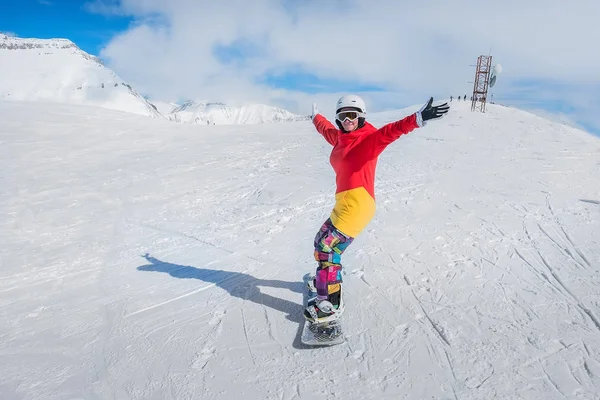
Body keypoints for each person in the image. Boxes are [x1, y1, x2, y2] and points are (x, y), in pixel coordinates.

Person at [304, 95, 449, 323]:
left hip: (358, 205)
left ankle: (330, 304)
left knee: (328, 249)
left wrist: (418, 119)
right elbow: (327, 130)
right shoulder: (341, 137)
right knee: (320, 240)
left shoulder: (368, 139)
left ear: (361, 116)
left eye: (353, 115)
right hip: (344, 202)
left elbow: (391, 132)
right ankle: (325, 277)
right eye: (343, 116)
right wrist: (316, 118)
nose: (348, 120)